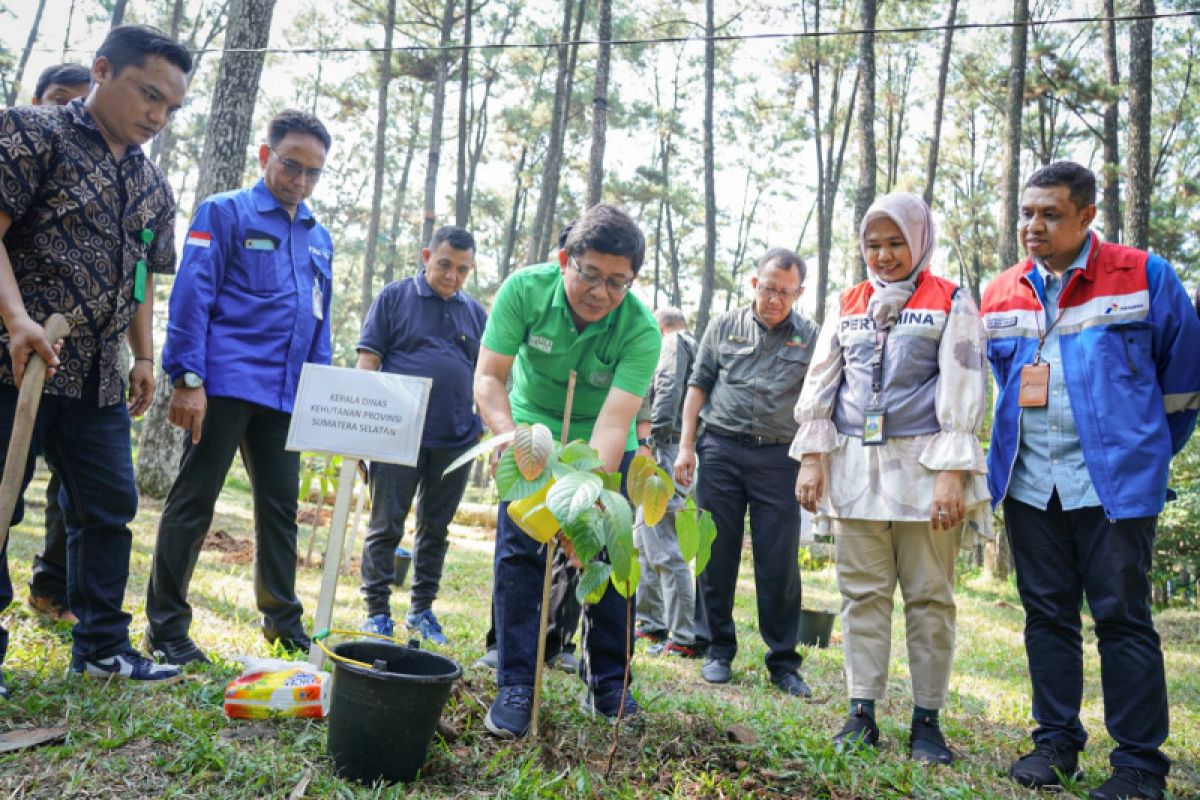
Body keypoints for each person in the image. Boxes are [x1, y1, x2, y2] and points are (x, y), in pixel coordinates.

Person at [983, 161, 1200, 800]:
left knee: (1122, 618)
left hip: (1115, 485)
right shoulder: (1001, 293)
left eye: (1050, 214)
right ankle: (1055, 743)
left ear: (1086, 217)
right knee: (1046, 616)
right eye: (1027, 213)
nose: (1033, 226)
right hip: (1030, 483)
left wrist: (1145, 451)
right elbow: (1000, 384)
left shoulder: (1143, 276)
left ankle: (1138, 764)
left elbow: (1185, 383)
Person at [0, 25, 192, 696]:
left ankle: (104, 647)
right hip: (14, 361)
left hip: (96, 376)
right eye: (148, 95)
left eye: (170, 108)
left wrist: (143, 354)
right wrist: (17, 319)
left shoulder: (150, 184)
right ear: (104, 70)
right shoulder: (31, 134)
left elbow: (139, 272)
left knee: (110, 504)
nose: (156, 117)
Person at [793, 193, 990, 764]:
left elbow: (963, 384)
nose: (883, 255)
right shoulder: (848, 302)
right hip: (856, 466)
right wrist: (813, 457)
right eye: (874, 244)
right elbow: (823, 382)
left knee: (929, 596)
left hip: (924, 468)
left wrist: (952, 473)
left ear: (919, 241)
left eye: (896, 243)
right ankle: (861, 711)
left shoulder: (951, 300)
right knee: (861, 594)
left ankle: (927, 720)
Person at [144, 110, 334, 665]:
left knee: (280, 509)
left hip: (284, 397)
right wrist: (188, 380)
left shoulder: (318, 237)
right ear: (264, 156)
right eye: (290, 165)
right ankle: (167, 629)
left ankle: (282, 621)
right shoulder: (224, 213)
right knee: (193, 502)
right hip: (223, 386)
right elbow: (191, 297)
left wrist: (315, 399)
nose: (300, 181)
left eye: (312, 172)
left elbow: (318, 324)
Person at [475, 203, 661, 738]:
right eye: (590, 275)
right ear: (565, 260)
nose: (601, 292)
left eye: (617, 282)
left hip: (602, 445)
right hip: (532, 434)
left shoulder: (641, 330)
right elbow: (489, 377)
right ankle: (516, 682)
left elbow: (613, 422)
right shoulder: (524, 291)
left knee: (608, 553)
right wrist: (508, 436)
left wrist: (585, 505)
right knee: (520, 553)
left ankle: (608, 682)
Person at [673, 248, 819, 697]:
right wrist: (685, 447)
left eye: (785, 292)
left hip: (780, 457)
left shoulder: (810, 336)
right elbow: (697, 388)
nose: (775, 299)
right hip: (721, 449)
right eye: (768, 288)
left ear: (799, 293)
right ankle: (717, 648)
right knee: (716, 551)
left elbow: (819, 401)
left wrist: (815, 461)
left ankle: (783, 661)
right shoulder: (723, 326)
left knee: (779, 560)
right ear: (755, 284)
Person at [355, 225, 487, 644]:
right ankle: (376, 612)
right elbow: (368, 362)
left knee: (436, 529)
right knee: (385, 524)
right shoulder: (394, 297)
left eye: (463, 270)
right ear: (426, 256)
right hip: (397, 434)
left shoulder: (476, 313)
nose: (452, 276)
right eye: (445, 264)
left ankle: (421, 610)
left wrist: (486, 428)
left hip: (456, 438)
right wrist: (364, 430)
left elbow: (487, 376)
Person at [23, 62, 92, 626]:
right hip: (11, 354)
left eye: (78, 102)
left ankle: (51, 588)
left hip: (70, 364)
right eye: (57, 100)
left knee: (69, 495)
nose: (66, 111)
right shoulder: (16, 153)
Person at [633, 307, 700, 658]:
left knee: (664, 544)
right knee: (643, 539)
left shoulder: (674, 342)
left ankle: (682, 637)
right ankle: (651, 622)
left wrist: (654, 438)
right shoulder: (688, 343)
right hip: (664, 445)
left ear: (660, 326)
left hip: (666, 445)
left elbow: (671, 388)